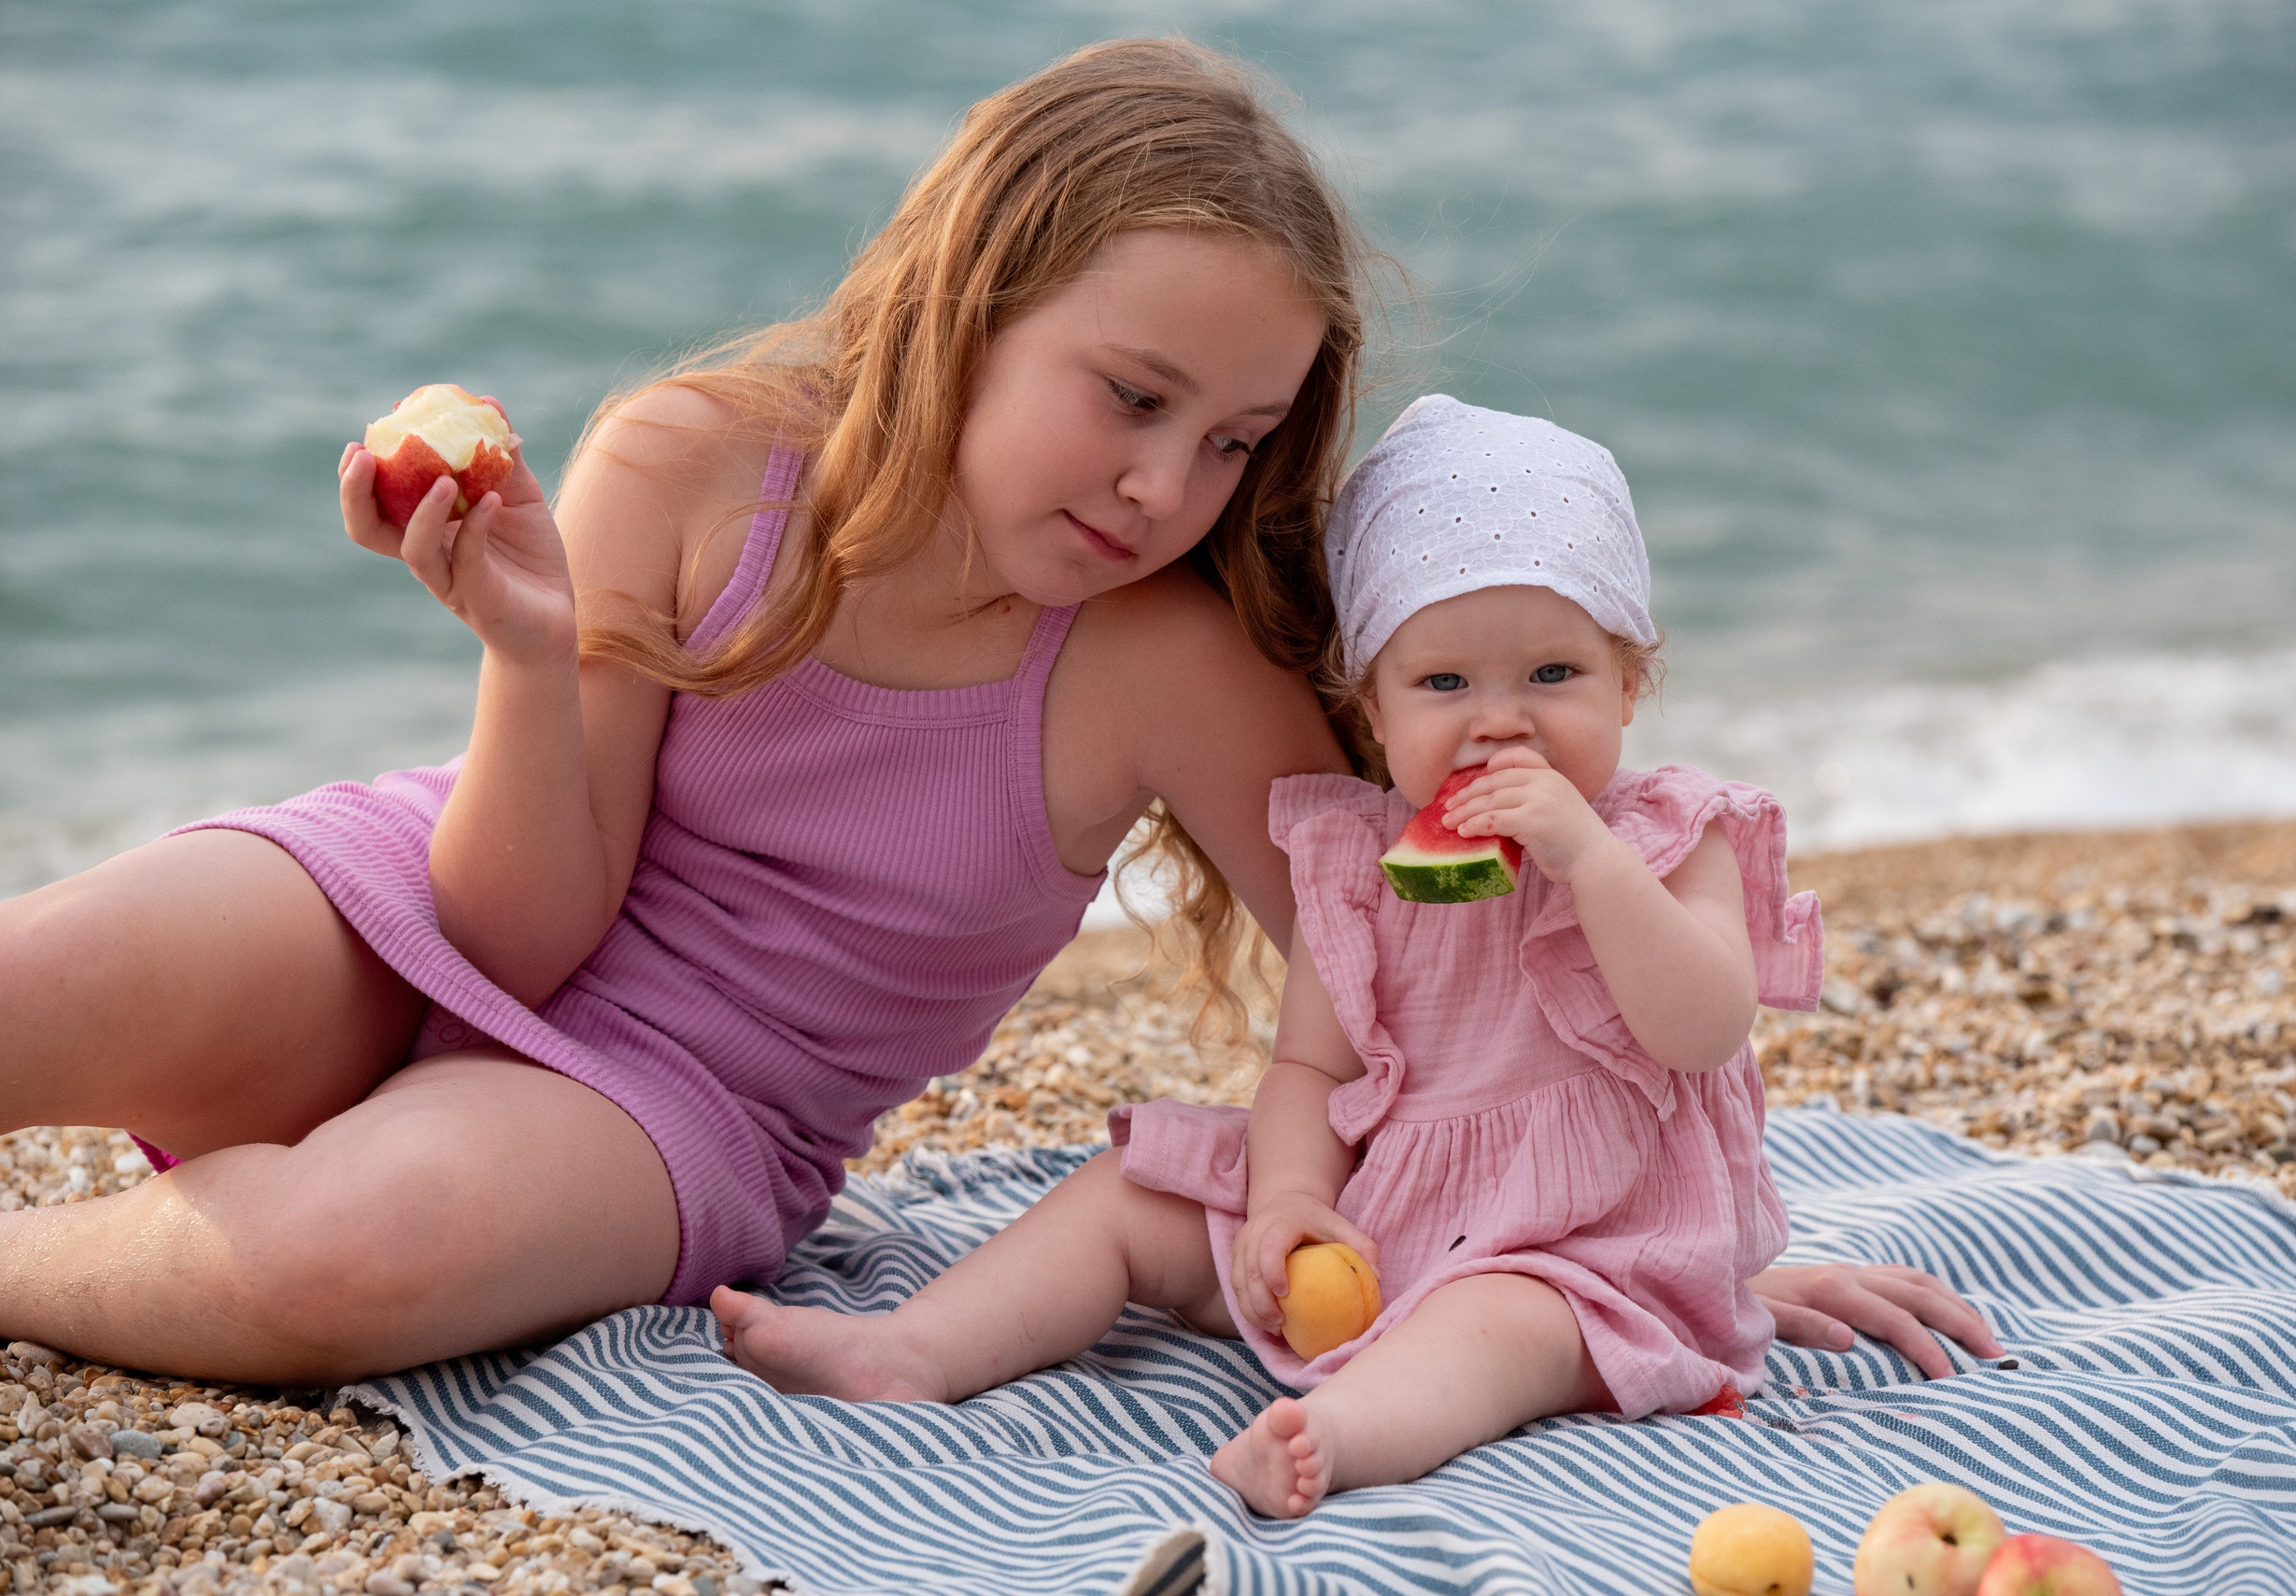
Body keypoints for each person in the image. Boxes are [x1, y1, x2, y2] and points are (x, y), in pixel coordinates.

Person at [1, 40, 1982, 1389]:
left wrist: (1680, 1245)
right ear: (968, 292)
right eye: (1128, 397)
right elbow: (517, 929)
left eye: (1227, 443)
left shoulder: (1163, 668)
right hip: (421, 891)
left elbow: (1445, 992)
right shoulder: (691, 463)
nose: (1161, 490)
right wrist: (531, 656)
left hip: (682, 1110)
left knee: (359, 1258)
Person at [711, 397, 2003, 1518]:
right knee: (1135, 1190)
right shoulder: (1360, 860)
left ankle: (1339, 1438)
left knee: (1492, 1326)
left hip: (1586, 1247)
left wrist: (1589, 861)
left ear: (1631, 682)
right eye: (1443, 683)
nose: (1501, 717)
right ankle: (914, 1350)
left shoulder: (1672, 836)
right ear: (1370, 707)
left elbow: (1705, 1022)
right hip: (1384, 1206)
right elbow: (1311, 1065)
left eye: (1555, 670)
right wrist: (1284, 1201)